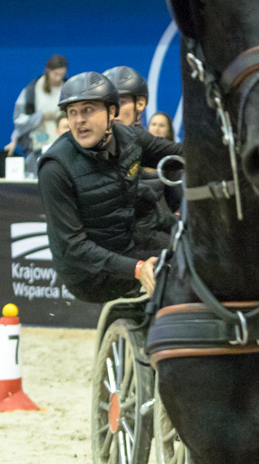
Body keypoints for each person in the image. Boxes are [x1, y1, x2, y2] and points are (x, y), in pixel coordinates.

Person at [37, 72, 181, 303]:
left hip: (127, 245)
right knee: (179, 270)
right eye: (72, 112)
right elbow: (73, 248)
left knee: (195, 256)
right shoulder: (55, 167)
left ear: (112, 112)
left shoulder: (130, 138)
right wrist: (137, 268)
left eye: (87, 110)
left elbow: (180, 155)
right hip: (88, 275)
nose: (79, 120)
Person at [10, 54, 69, 155]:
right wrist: (38, 117)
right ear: (48, 71)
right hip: (39, 143)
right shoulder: (31, 91)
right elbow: (19, 119)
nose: (59, 78)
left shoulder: (68, 88)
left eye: (62, 74)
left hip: (63, 143)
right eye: (56, 74)